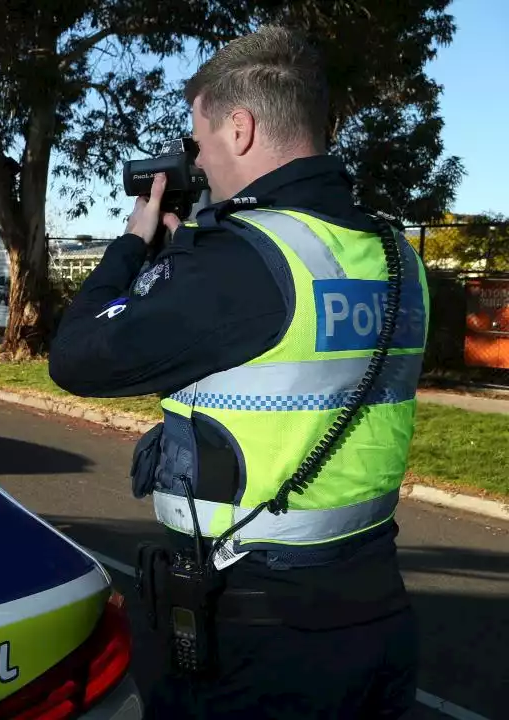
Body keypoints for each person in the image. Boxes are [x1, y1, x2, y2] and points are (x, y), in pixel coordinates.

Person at [48, 25, 427, 719]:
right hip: (376, 609)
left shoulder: (237, 260)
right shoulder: (395, 255)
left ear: (242, 128)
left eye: (197, 142)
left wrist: (135, 245)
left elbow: (77, 356)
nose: (195, 163)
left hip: (262, 640)